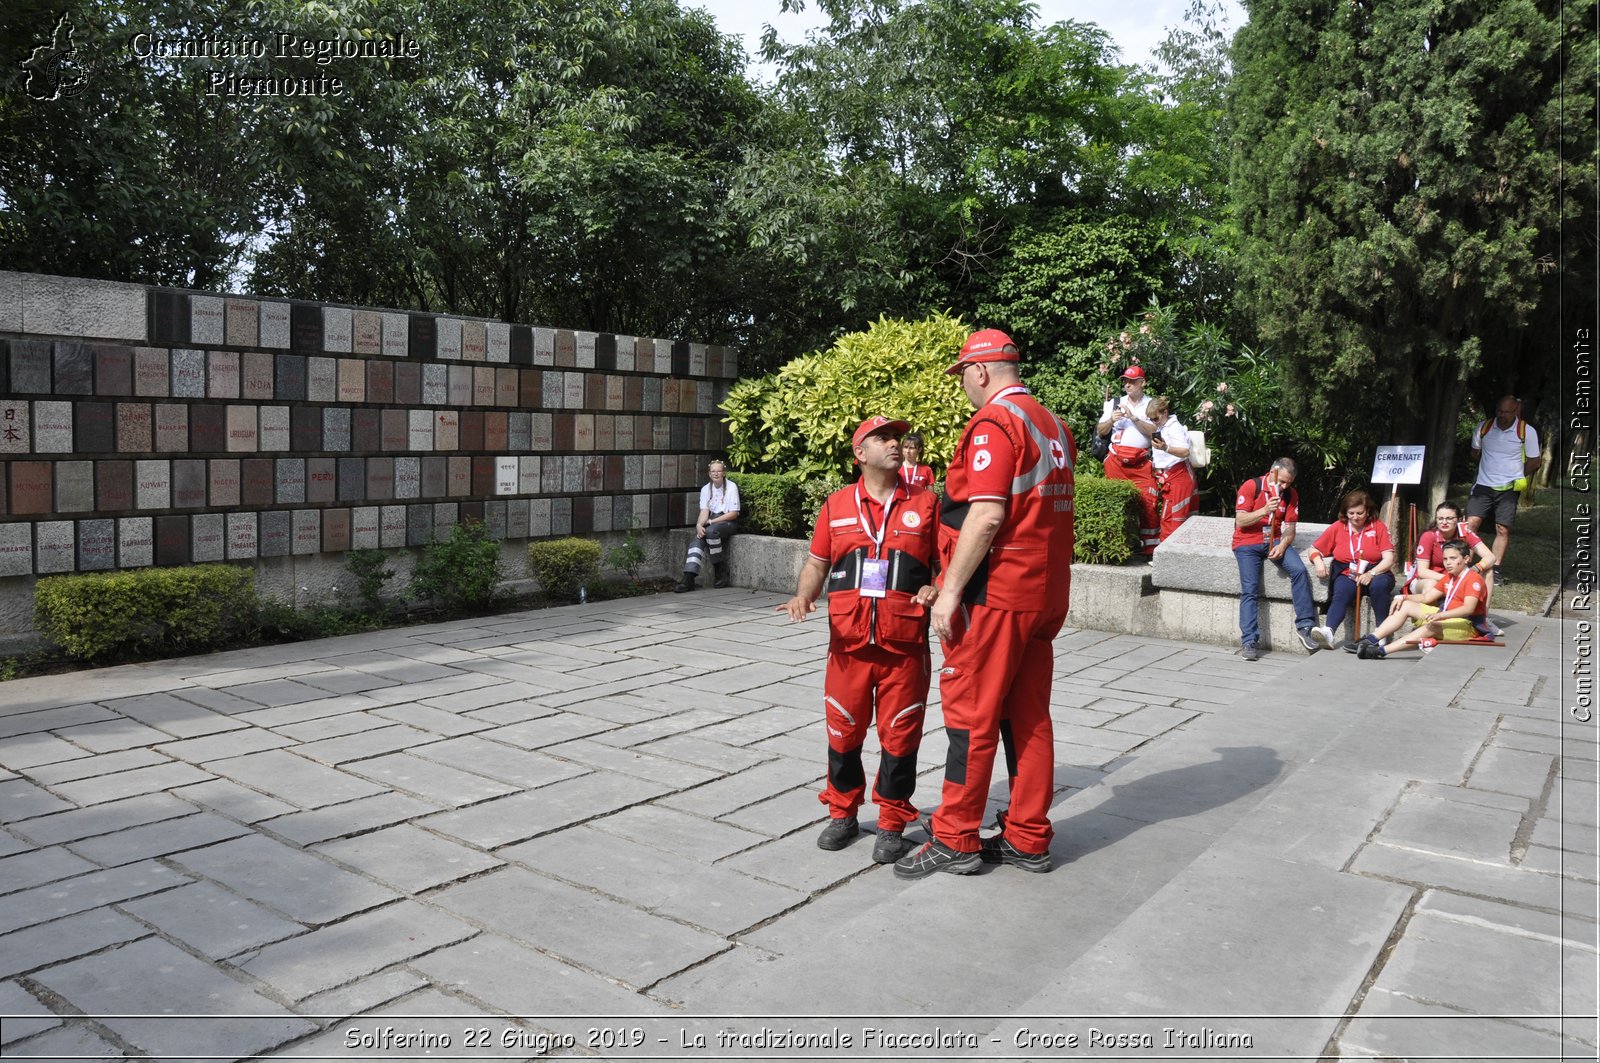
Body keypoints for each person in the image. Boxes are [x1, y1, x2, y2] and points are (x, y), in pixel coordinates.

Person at [895, 328, 1075, 879]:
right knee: (1028, 717)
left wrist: (948, 593)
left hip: (997, 594)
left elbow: (988, 513)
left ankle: (956, 836)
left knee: (970, 714)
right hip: (1042, 593)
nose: (965, 390)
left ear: (980, 371)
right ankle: (1027, 836)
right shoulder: (1052, 425)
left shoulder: (995, 424)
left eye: (963, 379)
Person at [782, 416, 940, 864]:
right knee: (842, 733)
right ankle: (842, 812)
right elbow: (817, 564)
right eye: (883, 438)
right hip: (847, 647)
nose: (895, 444)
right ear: (860, 453)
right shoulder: (836, 505)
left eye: (897, 437)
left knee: (900, 737)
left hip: (905, 646)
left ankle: (891, 822)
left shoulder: (927, 504)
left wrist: (938, 586)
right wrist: (803, 595)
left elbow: (947, 563)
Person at [1232, 457, 1321, 661]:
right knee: (1250, 589)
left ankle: (1306, 626)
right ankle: (1249, 640)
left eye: (1288, 483)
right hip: (1247, 542)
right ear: (1271, 472)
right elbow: (1240, 520)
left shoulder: (1290, 494)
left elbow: (1290, 528)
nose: (1283, 486)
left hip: (1274, 539)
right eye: (1281, 481)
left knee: (1299, 570)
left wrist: (1282, 545)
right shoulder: (1251, 486)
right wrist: (1264, 510)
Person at [1353, 540, 1489, 659]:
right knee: (1405, 605)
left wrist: (1440, 615)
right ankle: (1371, 639)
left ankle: (1381, 651)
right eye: (1445, 559)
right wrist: (1403, 596)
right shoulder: (1450, 576)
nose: (1448, 563)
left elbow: (1468, 609)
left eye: (1453, 558)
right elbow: (1426, 597)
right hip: (1447, 615)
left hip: (1468, 625)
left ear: (1466, 559)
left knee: (1432, 626)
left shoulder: (1473, 579)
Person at [1306, 489, 1397, 650]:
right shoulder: (1338, 527)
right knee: (1341, 590)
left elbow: (1389, 559)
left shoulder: (1378, 527)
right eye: (1351, 513)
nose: (1355, 517)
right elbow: (1314, 549)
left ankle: (1381, 633)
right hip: (1349, 571)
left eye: (1360, 513)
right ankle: (1328, 631)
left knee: (1379, 586)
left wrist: (1371, 573)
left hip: (1376, 570)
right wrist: (1319, 562)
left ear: (1367, 511)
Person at [1466, 396, 1541, 579]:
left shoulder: (1526, 431)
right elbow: (1475, 452)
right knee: (1470, 525)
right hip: (1483, 484)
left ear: (1516, 411)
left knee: (1503, 528)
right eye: (1499, 411)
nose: (1502, 415)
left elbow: (1535, 461)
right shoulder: (1484, 427)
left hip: (1508, 488)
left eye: (1507, 412)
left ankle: (1495, 568)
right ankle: (1464, 563)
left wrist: (1515, 474)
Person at [1095, 365, 1160, 556]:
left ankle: (1150, 550)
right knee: (1115, 503)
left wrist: (1134, 418)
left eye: (1132, 381)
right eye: (1125, 381)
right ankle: (1116, 547)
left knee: (1148, 503)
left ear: (1142, 383)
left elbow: (1156, 433)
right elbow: (1101, 431)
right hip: (1116, 460)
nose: (1127, 385)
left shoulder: (1151, 404)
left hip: (1141, 462)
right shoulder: (1115, 402)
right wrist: (1111, 420)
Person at [675, 460, 740, 592]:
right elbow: (704, 511)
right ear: (709, 474)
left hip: (727, 521)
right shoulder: (706, 489)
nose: (716, 474)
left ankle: (720, 570)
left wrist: (710, 522)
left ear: (724, 473)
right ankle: (689, 577)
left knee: (710, 532)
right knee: (698, 540)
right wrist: (699, 525)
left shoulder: (731, 487)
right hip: (712, 521)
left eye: (719, 471)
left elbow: (734, 513)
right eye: (713, 471)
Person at [1409, 501, 1496, 596]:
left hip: (1458, 579)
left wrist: (1476, 568)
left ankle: (1482, 611)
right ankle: (1430, 611)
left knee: (1488, 571)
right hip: (1429, 580)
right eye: (1440, 519)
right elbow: (1422, 572)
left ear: (1459, 519)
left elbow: (1491, 557)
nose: (1444, 522)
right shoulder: (1429, 536)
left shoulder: (1465, 533)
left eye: (1449, 518)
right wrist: (1451, 578)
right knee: (1431, 584)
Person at [1147, 396, 1195, 543]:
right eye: (1151, 419)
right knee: (1168, 517)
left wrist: (1165, 447)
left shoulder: (1174, 427)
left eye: (1156, 418)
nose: (1154, 422)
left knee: (1176, 519)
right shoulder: (1162, 427)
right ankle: (1165, 554)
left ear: (1165, 413)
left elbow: (1185, 452)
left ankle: (1171, 556)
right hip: (1168, 477)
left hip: (1178, 475)